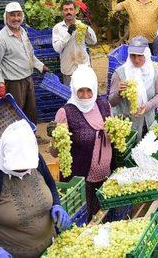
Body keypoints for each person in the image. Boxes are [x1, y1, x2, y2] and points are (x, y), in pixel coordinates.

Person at [0, 120, 70, 258]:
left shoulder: (35, 160)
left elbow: (50, 183)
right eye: (17, 167)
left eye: (26, 167)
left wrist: (56, 204)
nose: (23, 170)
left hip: (48, 250)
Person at [50, 66, 115, 221]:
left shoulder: (104, 106)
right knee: (84, 221)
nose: (85, 96)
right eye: (81, 91)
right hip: (80, 182)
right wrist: (54, 138)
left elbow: (113, 139)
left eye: (89, 91)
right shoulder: (66, 112)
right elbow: (54, 153)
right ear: (74, 89)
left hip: (106, 176)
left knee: (103, 219)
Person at [0, 2, 49, 128]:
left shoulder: (22, 32)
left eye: (18, 15)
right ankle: (15, 143)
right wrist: (0, 84)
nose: (16, 18)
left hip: (28, 79)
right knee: (15, 115)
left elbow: (30, 54)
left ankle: (31, 137)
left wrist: (40, 66)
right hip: (13, 83)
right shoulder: (1, 39)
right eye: (12, 15)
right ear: (6, 17)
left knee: (30, 111)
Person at [108, 36, 158, 140]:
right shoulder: (120, 73)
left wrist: (147, 107)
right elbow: (111, 102)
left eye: (140, 56)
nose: (136, 60)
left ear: (146, 55)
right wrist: (119, 93)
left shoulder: (154, 71)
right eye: (133, 56)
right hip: (127, 126)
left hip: (147, 122)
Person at [52, 0, 97, 86]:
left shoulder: (81, 25)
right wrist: (68, 33)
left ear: (75, 11)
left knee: (85, 95)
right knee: (70, 96)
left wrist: (87, 28)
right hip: (68, 69)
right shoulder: (57, 28)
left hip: (83, 68)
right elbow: (57, 48)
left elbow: (93, 41)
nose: (68, 12)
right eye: (66, 10)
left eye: (71, 9)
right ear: (62, 12)